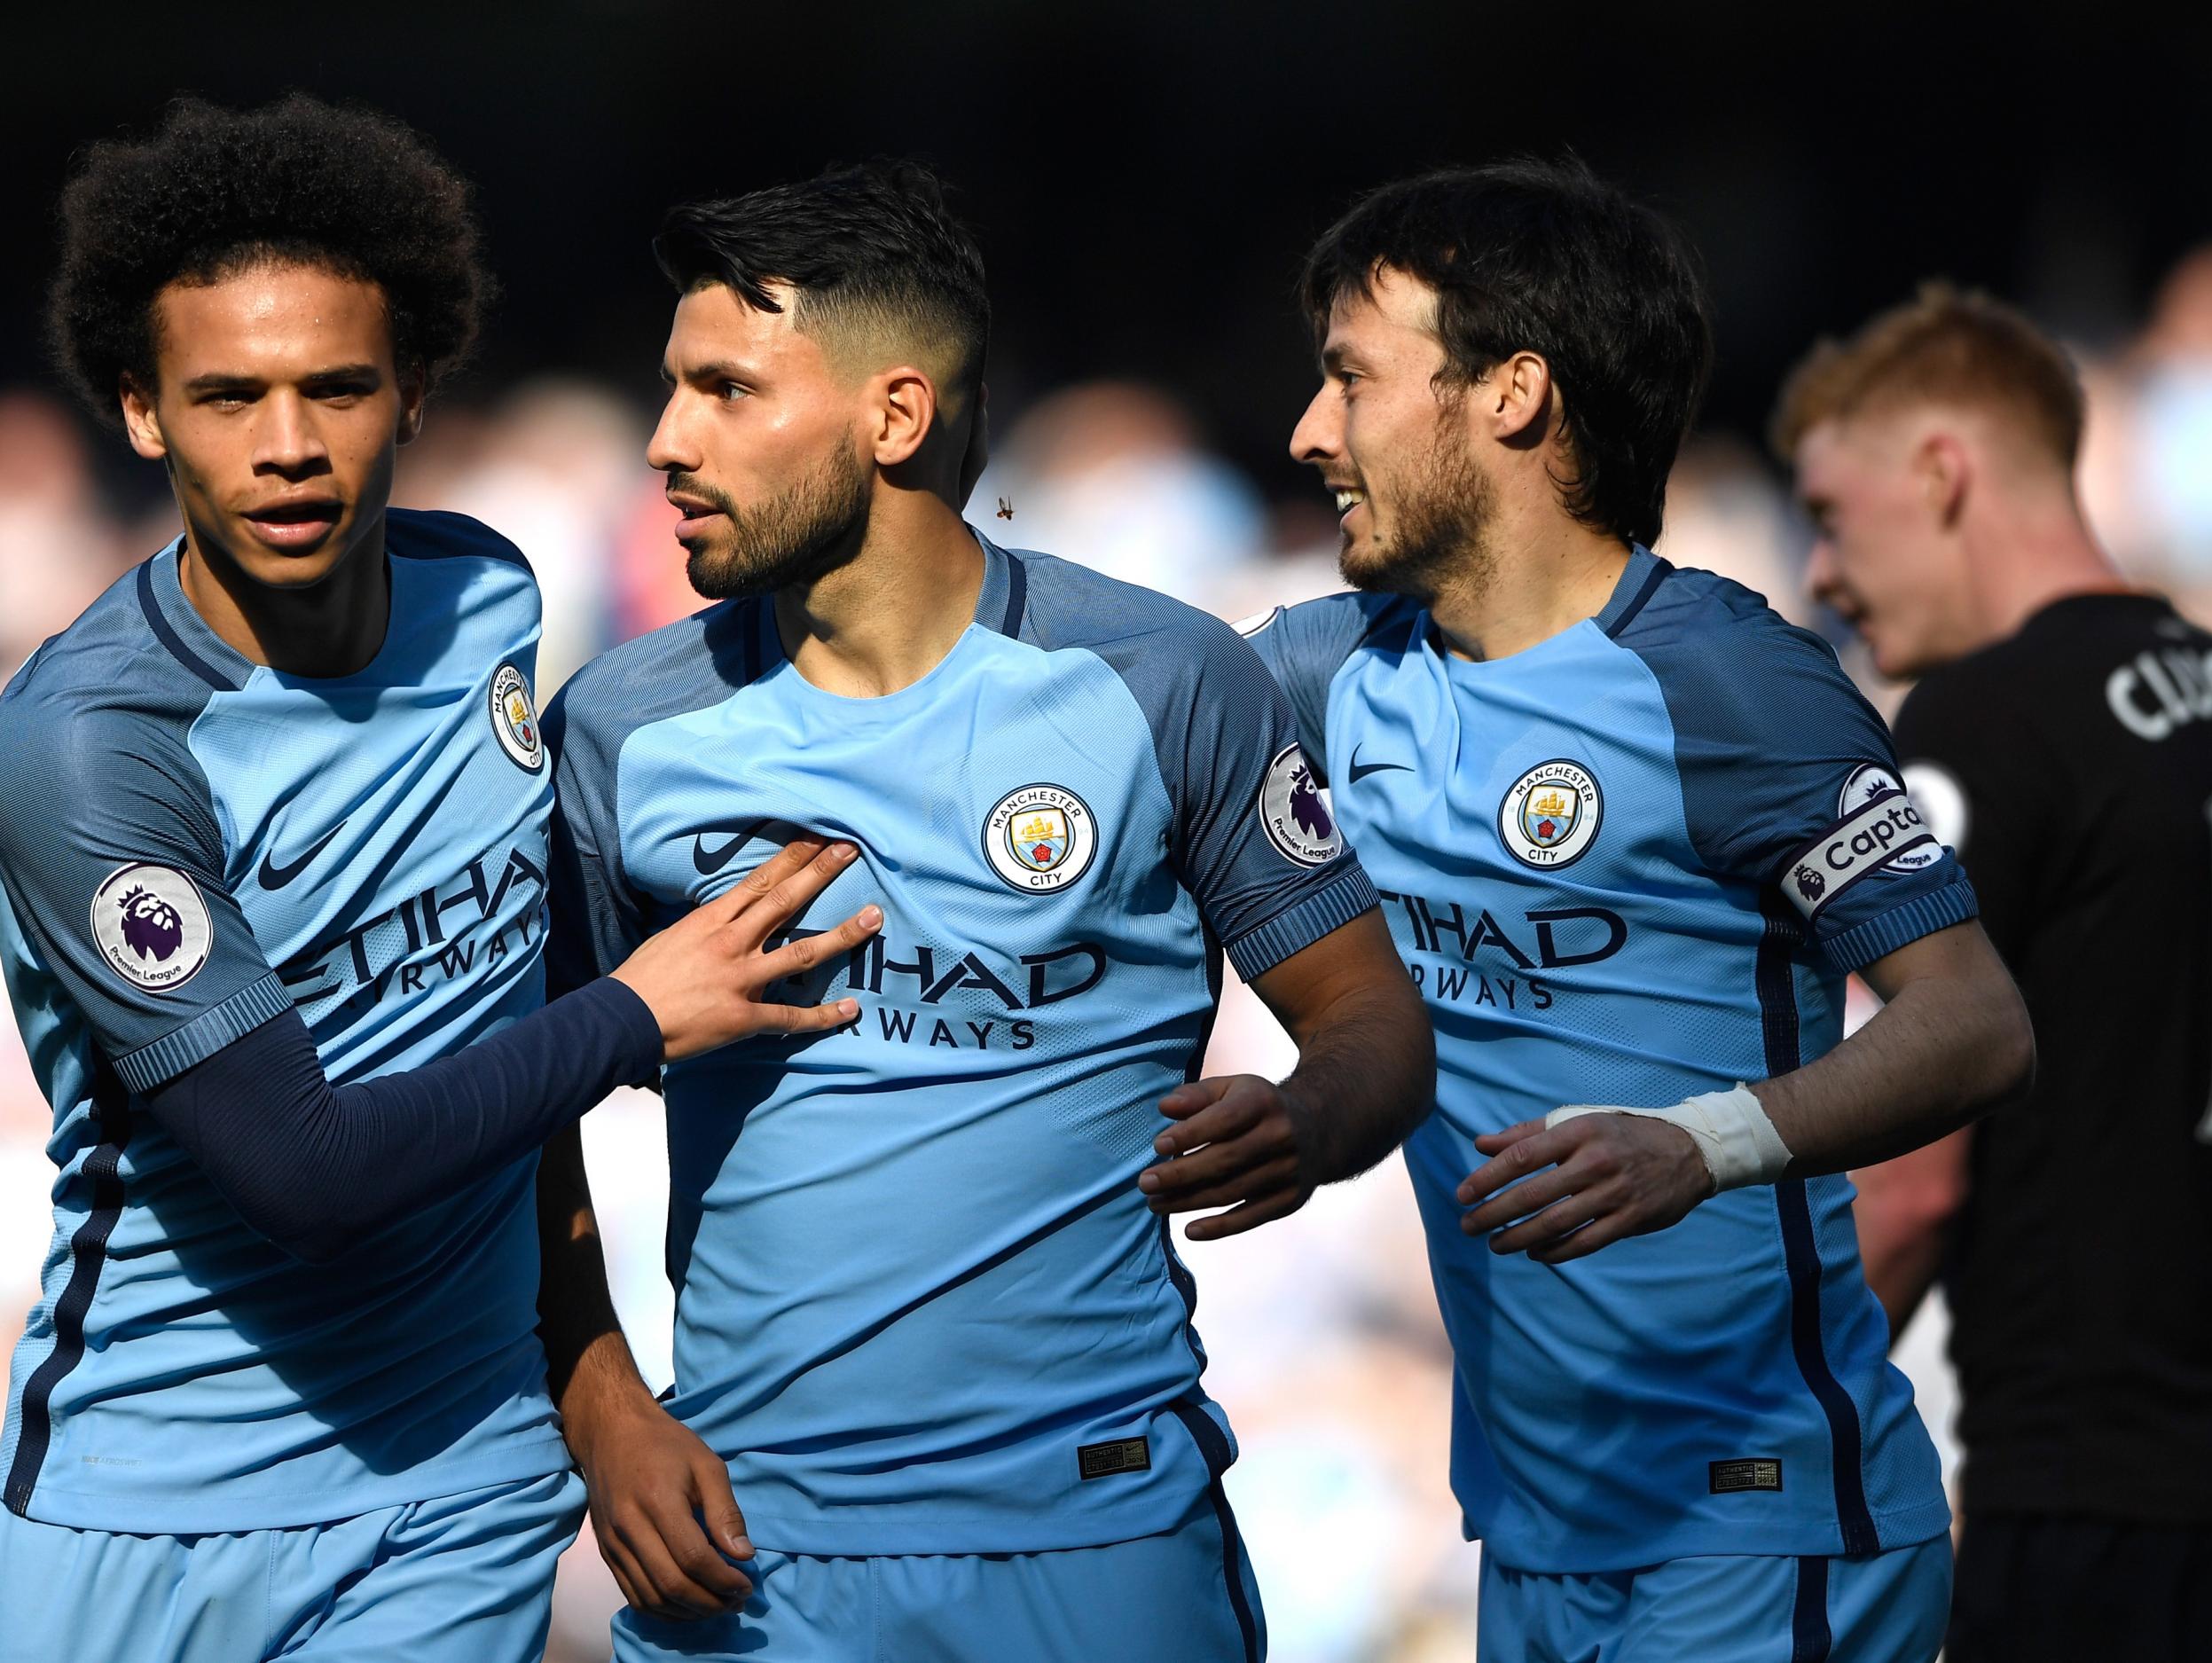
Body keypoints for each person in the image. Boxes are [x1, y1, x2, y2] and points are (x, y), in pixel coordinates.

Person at [0, 96, 877, 1663]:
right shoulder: (91, 747)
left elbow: (496, 1019)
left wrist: (591, 1378)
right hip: (153, 1506)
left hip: (461, 1492)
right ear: (141, 413)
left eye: (338, 387)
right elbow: (305, 1175)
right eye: (226, 398)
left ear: (414, 391)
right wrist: (635, 1017)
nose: (286, 445)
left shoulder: (487, 598)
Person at [535, 160, 1436, 1663]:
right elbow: (512, 1099)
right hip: (754, 1554)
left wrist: (1315, 1119)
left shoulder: (1164, 682)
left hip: (1098, 1542)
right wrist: (603, 1403)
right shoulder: (622, 726)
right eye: (672, 390)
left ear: (896, 416)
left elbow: (1373, 1022)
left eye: (726, 392)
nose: (666, 442)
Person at [1239, 161, 2034, 1662]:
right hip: (1535, 1532)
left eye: (1352, 380)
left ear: (1513, 395)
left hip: (1759, 1527)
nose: (1308, 433)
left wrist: (1704, 1144)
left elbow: (1976, 1022)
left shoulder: (1730, 687)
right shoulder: (1321, 672)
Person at [1778, 284, 2212, 1663]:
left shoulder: (1985, 722)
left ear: (1943, 472)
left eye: (1834, 518)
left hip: (2100, 1495)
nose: (1822, 578)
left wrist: (1751, 1434)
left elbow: (1910, 1181)